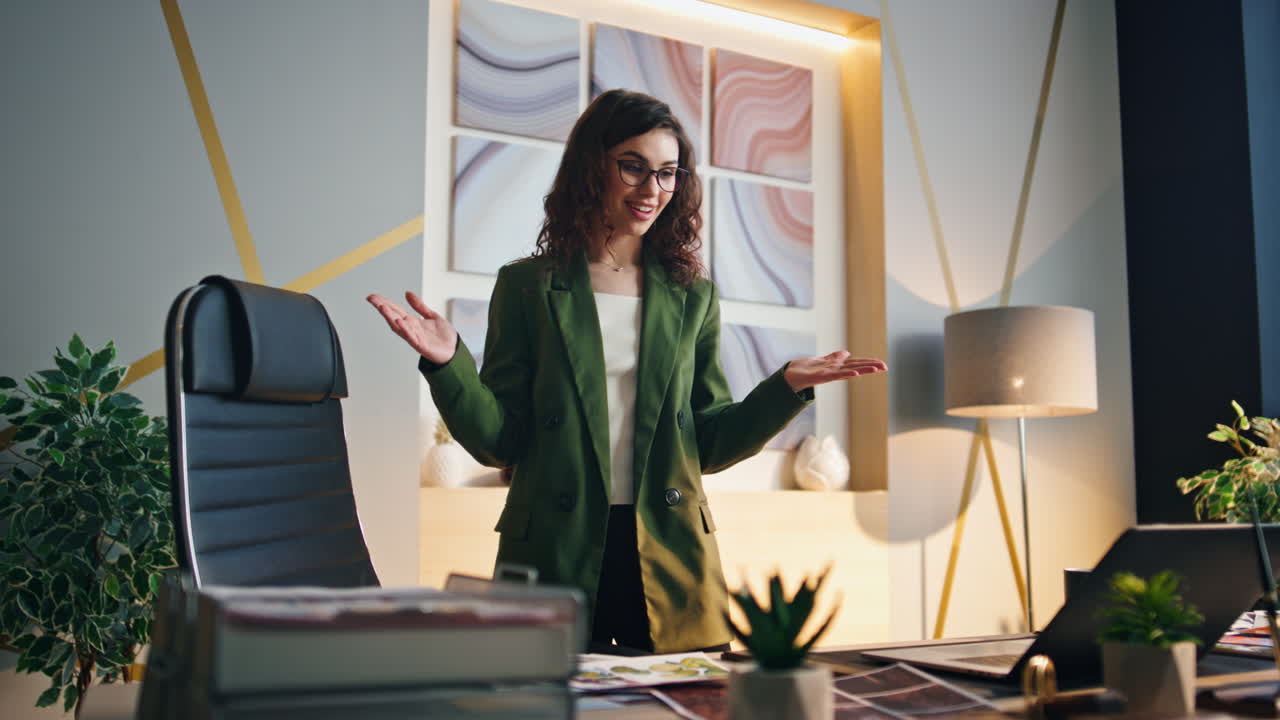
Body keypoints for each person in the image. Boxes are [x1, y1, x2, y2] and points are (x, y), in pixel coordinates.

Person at [368, 89, 886, 654]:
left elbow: (707, 443)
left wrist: (784, 389)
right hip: (555, 554)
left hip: (669, 554)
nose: (652, 190)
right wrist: (449, 364)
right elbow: (500, 441)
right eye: (633, 167)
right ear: (593, 166)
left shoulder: (693, 297)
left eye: (667, 173)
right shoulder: (527, 287)